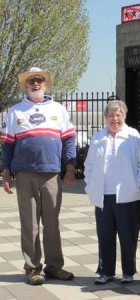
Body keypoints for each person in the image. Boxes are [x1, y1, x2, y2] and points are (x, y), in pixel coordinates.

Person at [0, 67, 77, 285]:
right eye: (32, 80)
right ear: (25, 85)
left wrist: (70, 167)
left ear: (46, 84)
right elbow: (7, 144)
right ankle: (33, 268)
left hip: (52, 173)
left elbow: (69, 139)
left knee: (52, 223)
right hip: (24, 174)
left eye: (40, 80)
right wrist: (5, 171)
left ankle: (54, 267)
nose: (36, 84)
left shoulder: (58, 109)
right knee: (29, 223)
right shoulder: (15, 111)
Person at [84, 100, 140, 285]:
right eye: (111, 115)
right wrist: (89, 185)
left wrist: (137, 183)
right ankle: (106, 271)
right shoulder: (98, 137)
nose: (115, 118)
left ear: (124, 117)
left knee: (128, 235)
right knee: (105, 235)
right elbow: (88, 165)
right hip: (103, 196)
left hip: (127, 196)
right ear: (106, 117)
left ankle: (128, 272)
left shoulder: (133, 136)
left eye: (119, 115)